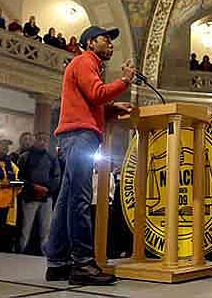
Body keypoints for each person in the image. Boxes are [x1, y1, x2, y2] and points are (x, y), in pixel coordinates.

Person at [44, 25, 135, 285]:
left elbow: (90, 102)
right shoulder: (85, 61)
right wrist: (125, 81)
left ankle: (57, 263)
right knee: (81, 199)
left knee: (66, 201)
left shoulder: (89, 64)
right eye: (106, 39)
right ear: (90, 42)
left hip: (78, 134)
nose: (111, 44)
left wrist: (110, 109)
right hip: (79, 135)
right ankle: (82, 263)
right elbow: (95, 94)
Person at [17, 132, 61, 254]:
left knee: (46, 228)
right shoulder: (24, 157)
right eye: (40, 139)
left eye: (45, 140)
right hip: (30, 196)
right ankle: (21, 250)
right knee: (26, 228)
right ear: (35, 140)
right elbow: (19, 177)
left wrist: (47, 189)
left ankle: (44, 253)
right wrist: (33, 187)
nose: (42, 142)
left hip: (46, 197)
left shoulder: (51, 157)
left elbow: (57, 176)